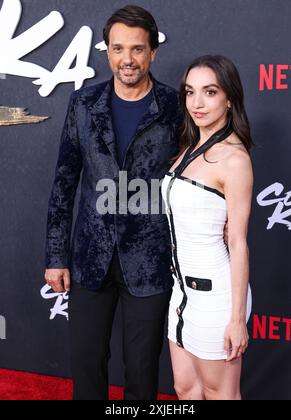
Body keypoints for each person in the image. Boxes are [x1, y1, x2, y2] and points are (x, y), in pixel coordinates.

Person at [44, 5, 181, 400]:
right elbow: (64, 182)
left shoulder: (174, 108)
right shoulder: (83, 104)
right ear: (107, 52)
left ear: (153, 52)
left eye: (137, 49)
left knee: (141, 371)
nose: (127, 59)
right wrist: (56, 255)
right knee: (86, 365)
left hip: (151, 259)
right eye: (118, 49)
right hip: (90, 257)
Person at [161, 55, 253, 401]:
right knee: (185, 389)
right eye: (190, 92)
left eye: (209, 92)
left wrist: (236, 318)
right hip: (181, 291)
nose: (196, 103)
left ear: (229, 98)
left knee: (220, 394)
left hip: (217, 296)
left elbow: (239, 242)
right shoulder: (189, 147)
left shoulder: (234, 159)